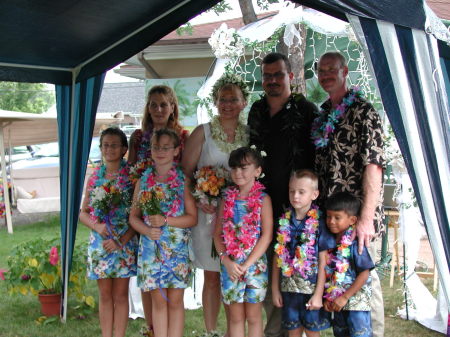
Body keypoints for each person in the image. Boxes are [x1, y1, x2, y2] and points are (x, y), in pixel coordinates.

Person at [314, 51, 385, 336]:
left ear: (345, 71)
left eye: (332, 69)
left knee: (367, 280)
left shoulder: (364, 112)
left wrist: (366, 218)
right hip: (332, 218)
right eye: (321, 70)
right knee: (339, 276)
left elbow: (374, 166)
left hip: (358, 218)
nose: (326, 74)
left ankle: (375, 333)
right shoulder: (322, 116)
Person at [247, 52, 318, 337]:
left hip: (297, 206)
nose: (272, 81)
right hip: (261, 203)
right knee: (266, 268)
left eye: (278, 75)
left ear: (291, 76)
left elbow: (317, 159)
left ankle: (289, 329)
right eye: (267, 76)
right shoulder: (256, 110)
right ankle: (273, 328)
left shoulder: (307, 110)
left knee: (294, 269)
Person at [182, 73, 250, 336]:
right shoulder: (203, 132)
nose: (228, 104)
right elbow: (185, 173)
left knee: (235, 274)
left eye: (234, 99)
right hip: (207, 215)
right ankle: (210, 331)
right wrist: (200, 198)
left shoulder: (249, 134)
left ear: (244, 102)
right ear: (215, 102)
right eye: (223, 99)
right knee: (211, 276)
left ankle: (236, 331)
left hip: (239, 218)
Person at [128, 85, 189, 336]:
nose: (158, 109)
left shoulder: (182, 138)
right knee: (154, 295)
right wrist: (144, 226)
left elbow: (189, 210)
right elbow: (130, 175)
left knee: (174, 299)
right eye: (153, 104)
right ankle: (153, 330)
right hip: (147, 227)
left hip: (174, 234)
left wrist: (166, 218)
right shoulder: (139, 138)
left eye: (164, 104)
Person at [79, 127, 138, 337]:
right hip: (100, 243)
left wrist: (121, 241)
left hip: (123, 243)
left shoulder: (132, 178)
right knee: (104, 295)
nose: (109, 149)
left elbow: (138, 216)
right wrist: (97, 227)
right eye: (105, 145)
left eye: (114, 145)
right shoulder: (95, 178)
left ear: (124, 149)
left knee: (120, 295)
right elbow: (83, 213)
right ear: (100, 148)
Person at [213, 147, 273, 337]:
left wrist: (247, 264)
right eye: (234, 168)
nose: (238, 172)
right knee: (235, 318)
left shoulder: (264, 199)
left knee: (254, 317)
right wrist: (227, 261)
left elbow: (267, 235)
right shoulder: (226, 199)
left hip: (254, 266)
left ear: (258, 171)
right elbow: (217, 235)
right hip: (230, 267)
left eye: (244, 168)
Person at [272, 170, 334, 337]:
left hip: (311, 290)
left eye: (301, 192)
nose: (295, 196)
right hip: (289, 290)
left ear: (314, 194)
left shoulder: (319, 224)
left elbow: (324, 262)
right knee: (293, 332)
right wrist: (275, 289)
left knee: (312, 332)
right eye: (292, 191)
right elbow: (278, 256)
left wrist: (318, 294)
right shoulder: (284, 221)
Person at [324, 192, 375, 337]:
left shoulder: (355, 243)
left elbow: (364, 273)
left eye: (337, 217)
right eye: (328, 216)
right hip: (338, 303)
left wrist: (345, 297)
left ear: (352, 220)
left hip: (356, 304)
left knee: (359, 334)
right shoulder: (330, 242)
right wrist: (328, 297)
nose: (331, 221)